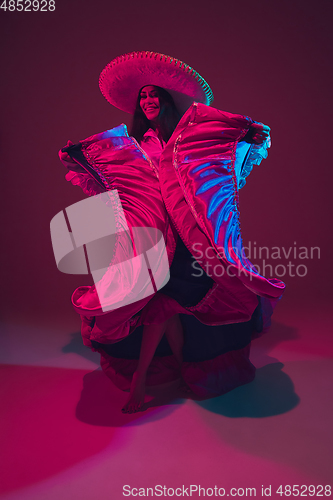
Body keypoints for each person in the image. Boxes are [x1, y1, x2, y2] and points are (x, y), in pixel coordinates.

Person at [58, 51, 285, 414]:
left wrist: (250, 141)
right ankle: (145, 377)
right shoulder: (133, 146)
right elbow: (117, 186)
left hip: (189, 236)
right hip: (151, 235)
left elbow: (223, 175)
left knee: (174, 306)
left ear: (167, 101)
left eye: (155, 96)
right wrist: (83, 159)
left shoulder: (190, 141)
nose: (148, 102)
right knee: (157, 306)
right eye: (143, 97)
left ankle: (176, 373)